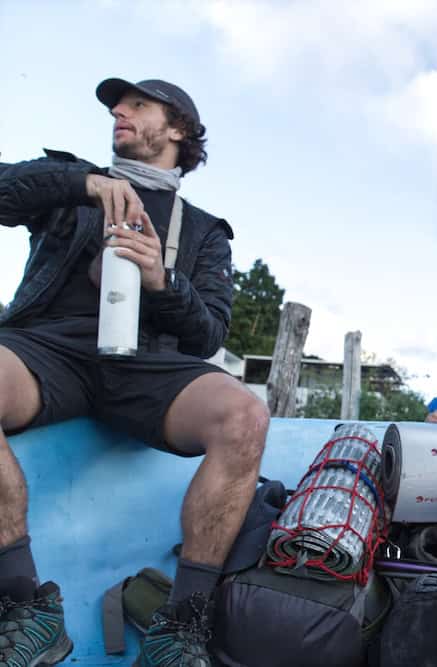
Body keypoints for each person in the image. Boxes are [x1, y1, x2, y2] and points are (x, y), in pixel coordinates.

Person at [0, 78, 269, 667]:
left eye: (136, 104)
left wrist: (162, 283)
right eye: (116, 106)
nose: (119, 111)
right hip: (47, 349)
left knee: (245, 414)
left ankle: (181, 626)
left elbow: (208, 336)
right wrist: (84, 183)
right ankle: (26, 607)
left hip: (149, 365)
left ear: (177, 129)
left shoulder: (204, 231)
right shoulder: (70, 183)